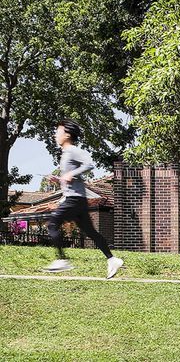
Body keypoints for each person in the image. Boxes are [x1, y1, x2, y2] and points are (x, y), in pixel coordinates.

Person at [42, 119, 124, 279]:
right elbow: (73, 180)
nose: (55, 135)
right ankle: (112, 259)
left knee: (52, 224)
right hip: (77, 199)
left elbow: (89, 164)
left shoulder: (72, 150)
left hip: (74, 200)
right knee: (91, 233)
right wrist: (59, 179)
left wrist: (71, 174)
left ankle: (61, 260)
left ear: (67, 134)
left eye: (58, 132)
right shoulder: (66, 154)